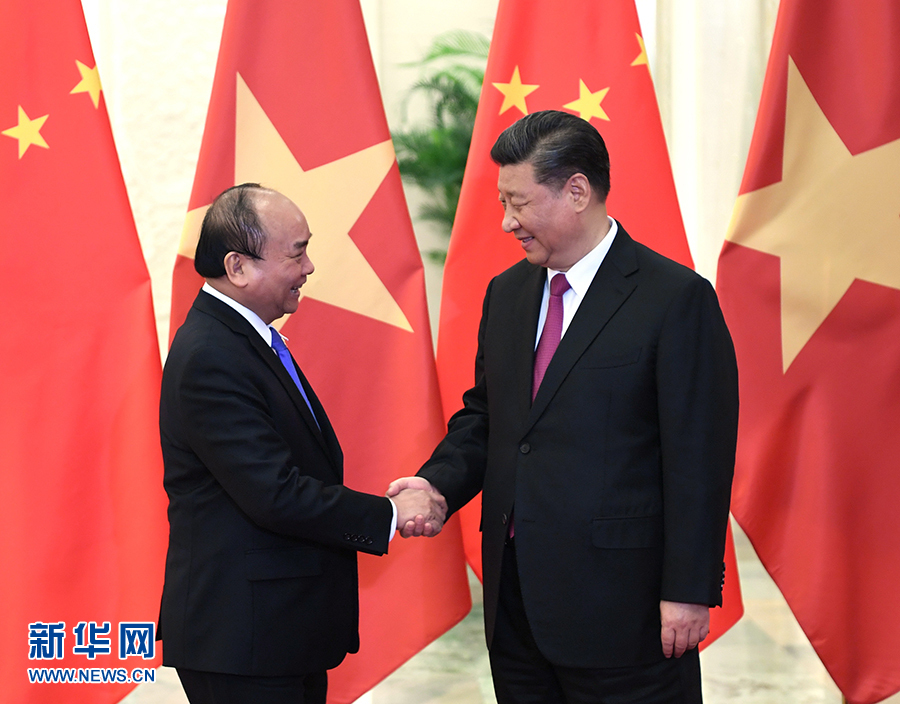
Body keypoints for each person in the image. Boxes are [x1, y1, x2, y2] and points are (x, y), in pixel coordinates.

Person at [390, 110, 739, 704]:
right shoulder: (507, 293)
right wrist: (436, 485)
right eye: (502, 203)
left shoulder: (675, 299)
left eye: (518, 203)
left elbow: (698, 458)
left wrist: (688, 589)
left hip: (625, 611)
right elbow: (489, 418)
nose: (507, 221)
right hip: (516, 606)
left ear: (577, 191)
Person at [159, 183, 446, 704]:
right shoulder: (211, 355)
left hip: (277, 635)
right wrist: (388, 514)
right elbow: (274, 493)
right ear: (238, 267)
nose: (309, 267)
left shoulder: (244, 340)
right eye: (296, 253)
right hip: (242, 641)